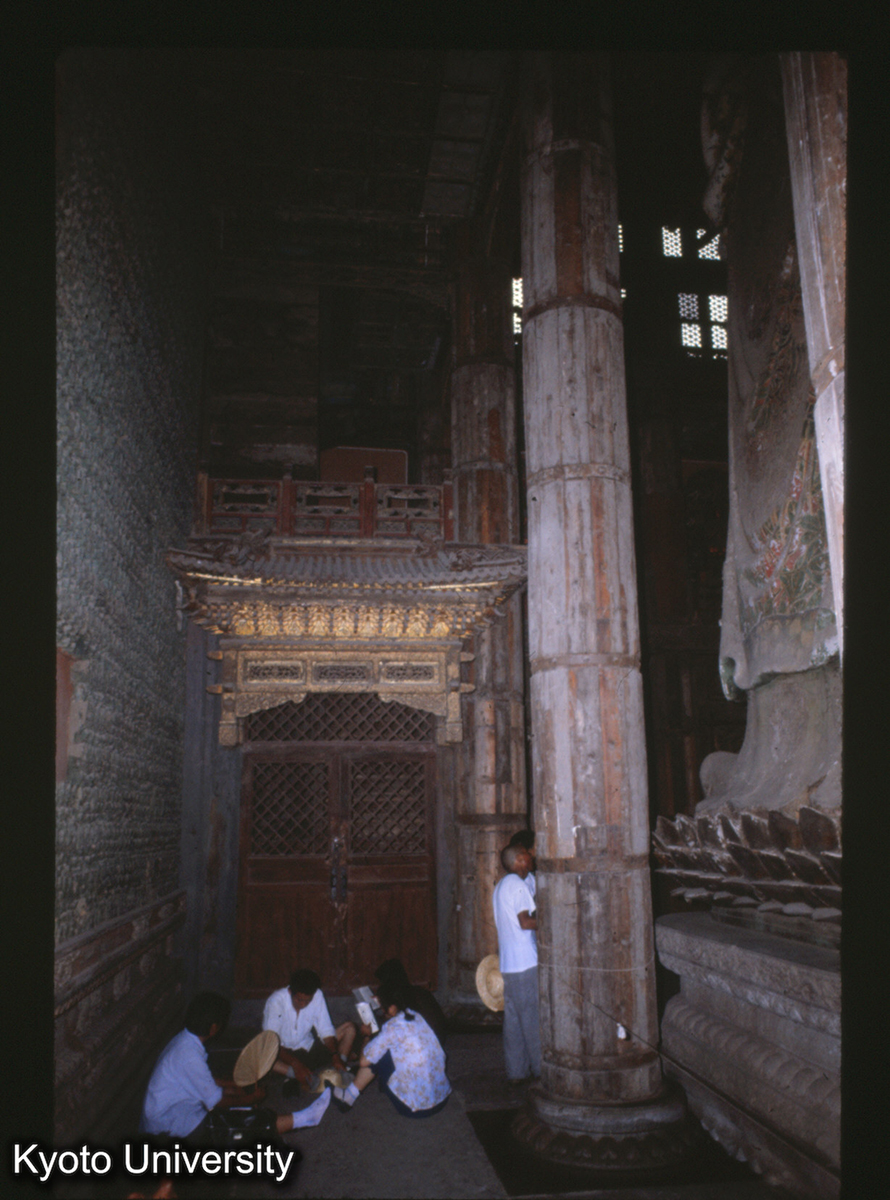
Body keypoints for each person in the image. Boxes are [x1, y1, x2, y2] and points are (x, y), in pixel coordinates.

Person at [140, 991, 331, 1141]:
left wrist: (234, 1087)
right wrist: (248, 1099)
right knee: (240, 1122)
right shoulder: (188, 1054)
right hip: (167, 1131)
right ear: (214, 1028)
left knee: (236, 1101)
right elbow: (216, 1101)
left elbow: (203, 1081)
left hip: (174, 1115)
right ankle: (307, 1118)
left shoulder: (185, 1041)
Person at [328, 981, 451, 1117]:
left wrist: (366, 1037)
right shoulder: (418, 1016)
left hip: (415, 1109)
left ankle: (348, 1096)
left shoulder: (392, 1028)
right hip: (441, 1099)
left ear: (392, 1008)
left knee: (378, 1055)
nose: (380, 1007)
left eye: (382, 1005)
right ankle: (352, 1093)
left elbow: (363, 1062)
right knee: (391, 1049)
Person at [492, 843, 541, 1083]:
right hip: (525, 964)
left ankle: (516, 1072)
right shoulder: (518, 886)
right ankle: (543, 1073)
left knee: (513, 1023)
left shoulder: (501, 885)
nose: (532, 857)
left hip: (509, 966)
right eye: (528, 854)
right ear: (520, 859)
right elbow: (526, 922)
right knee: (533, 1022)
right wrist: (551, 918)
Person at [263, 968, 356, 1091]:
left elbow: (326, 1030)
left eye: (308, 1000)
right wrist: (296, 1065)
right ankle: (299, 1075)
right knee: (262, 1057)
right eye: (299, 1000)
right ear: (290, 991)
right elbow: (272, 1043)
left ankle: (339, 1071)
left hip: (309, 1049)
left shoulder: (317, 994)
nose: (303, 1004)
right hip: (284, 1055)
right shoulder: (276, 1001)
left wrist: (335, 1056)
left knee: (349, 1028)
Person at [372, 958, 448, 1047]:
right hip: (437, 1042)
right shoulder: (418, 991)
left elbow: (390, 1026)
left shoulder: (399, 995)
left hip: (422, 1045)